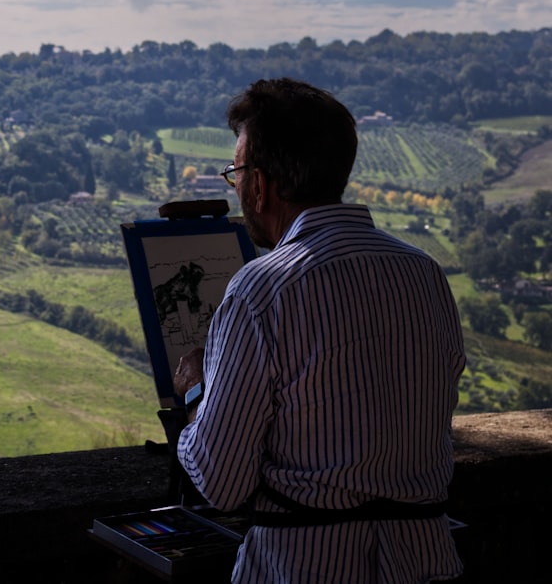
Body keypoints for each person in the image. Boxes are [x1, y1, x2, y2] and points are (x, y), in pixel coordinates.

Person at [173, 78, 465, 583]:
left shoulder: (260, 291)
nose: (237, 186)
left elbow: (221, 483)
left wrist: (198, 390)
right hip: (427, 564)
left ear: (260, 185)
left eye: (236, 173)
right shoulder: (425, 273)